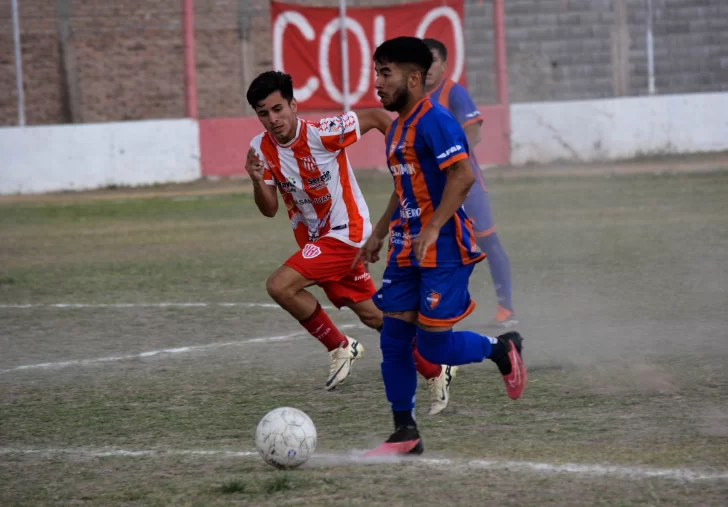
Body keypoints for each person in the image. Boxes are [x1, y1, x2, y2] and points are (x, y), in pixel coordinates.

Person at [245, 71, 457, 414]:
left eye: (278, 109)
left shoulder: (322, 133)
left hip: (347, 234)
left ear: (294, 105)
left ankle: (339, 346)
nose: (273, 119)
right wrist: (257, 182)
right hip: (319, 240)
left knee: (280, 286)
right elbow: (268, 209)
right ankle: (436, 367)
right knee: (375, 316)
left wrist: (405, 151)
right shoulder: (259, 148)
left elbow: (374, 117)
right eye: (263, 113)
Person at [357, 37, 527, 456]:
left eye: (385, 73)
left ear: (414, 78)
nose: (377, 83)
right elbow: (404, 185)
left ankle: (501, 348)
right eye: (376, 72)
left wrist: (432, 228)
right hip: (404, 247)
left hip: (445, 247)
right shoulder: (396, 127)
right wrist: (379, 230)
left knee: (431, 345)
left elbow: (463, 176)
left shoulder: (436, 120)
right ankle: (404, 431)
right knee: (394, 338)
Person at [422, 38, 517, 328]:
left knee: (487, 241)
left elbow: (473, 133)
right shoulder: (417, 98)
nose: (426, 68)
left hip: (466, 185)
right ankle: (440, 308)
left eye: (432, 61)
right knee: (441, 247)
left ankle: (507, 309)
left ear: (445, 65)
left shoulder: (454, 93)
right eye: (421, 62)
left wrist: (449, 156)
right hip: (434, 188)